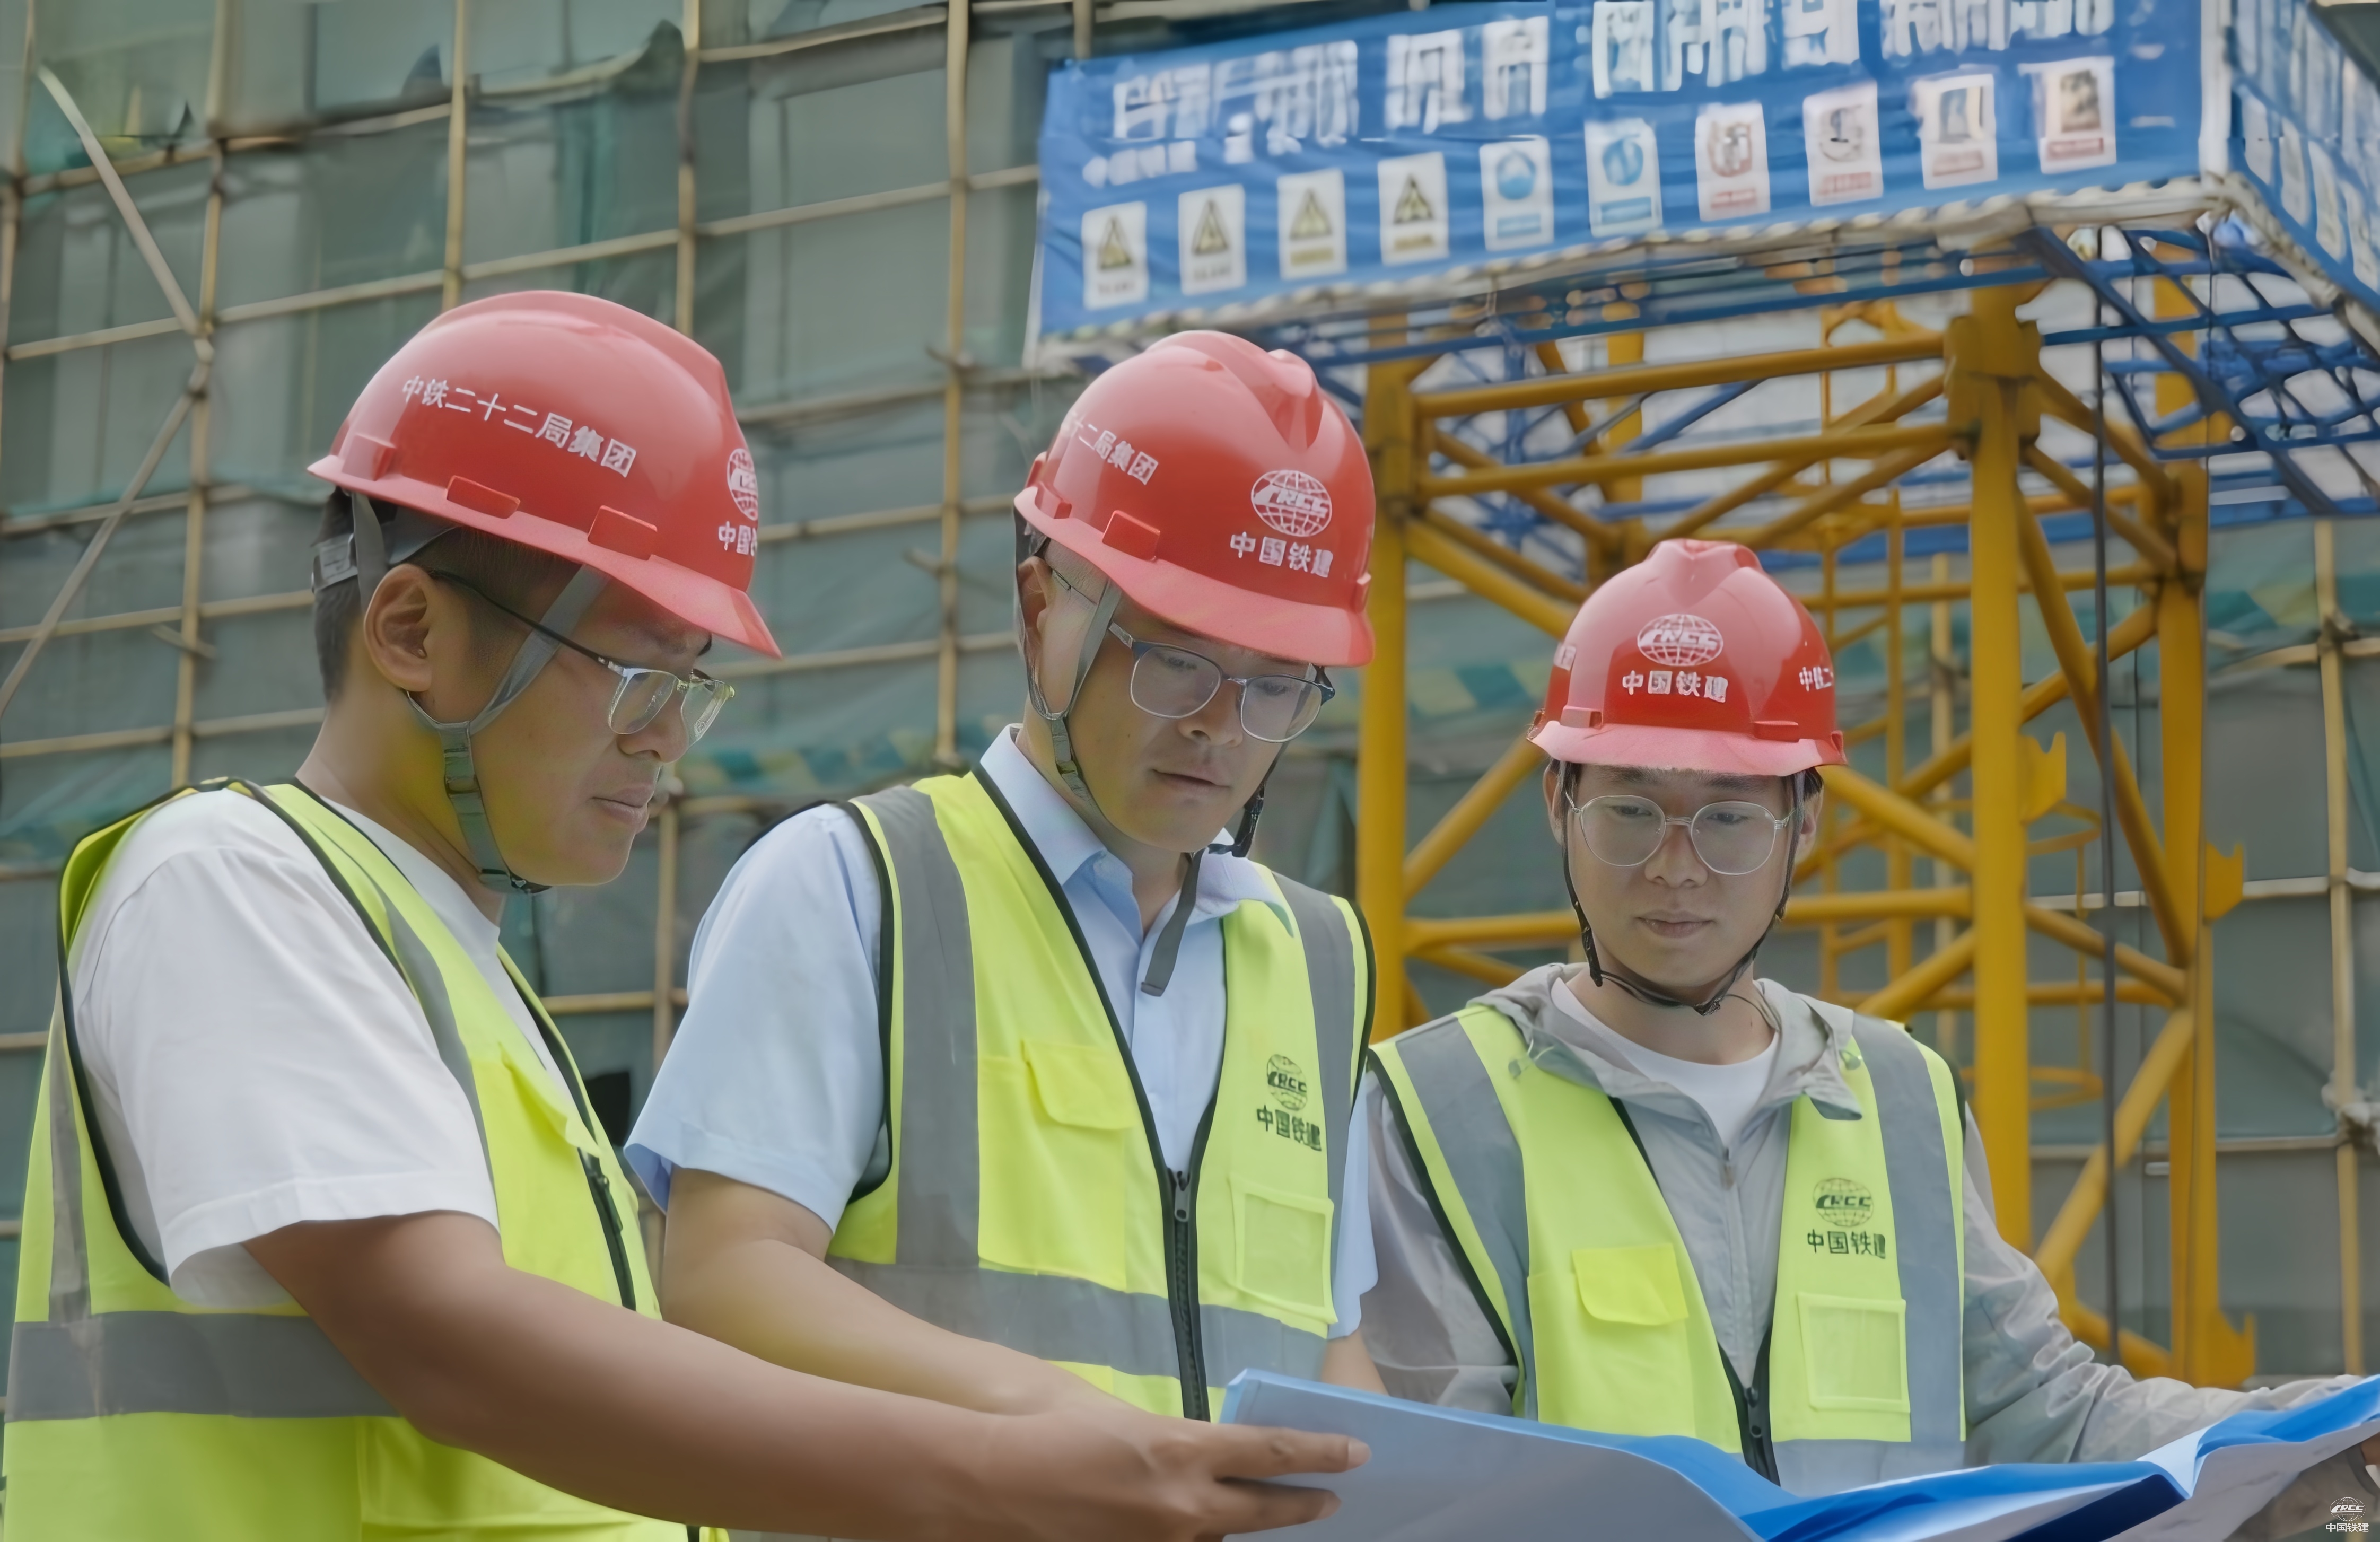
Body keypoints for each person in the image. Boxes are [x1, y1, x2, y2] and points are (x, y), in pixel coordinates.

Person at [5, 294, 1365, 1541]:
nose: (668, 739)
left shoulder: (460, 974)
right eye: (632, 672)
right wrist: (1022, 1460)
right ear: (410, 630)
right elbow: (455, 1342)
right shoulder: (231, 880)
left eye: (690, 684)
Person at [1361, 538, 2379, 1518]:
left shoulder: (1898, 1096)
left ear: (1803, 822)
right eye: (1630, 811)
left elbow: (2049, 1416)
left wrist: (2324, 1432)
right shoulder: (1438, 1104)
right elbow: (1444, 1483)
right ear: (1559, 802)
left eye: (1729, 817)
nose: (1675, 867)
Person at [628, 331, 1386, 1434]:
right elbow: (720, 1273)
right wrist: (1059, 1429)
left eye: (1278, 687)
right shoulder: (856, 886)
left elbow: (1330, 1337)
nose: (1224, 728)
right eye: (1179, 661)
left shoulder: (1320, 959)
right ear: (1042, 609)